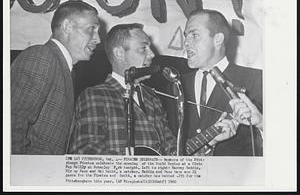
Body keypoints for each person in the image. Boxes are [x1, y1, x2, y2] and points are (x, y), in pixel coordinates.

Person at [68, 23, 238, 156]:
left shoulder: (152, 97)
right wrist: (139, 167)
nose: (152, 55)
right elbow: (84, 153)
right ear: (119, 53)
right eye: (143, 48)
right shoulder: (95, 95)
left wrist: (210, 140)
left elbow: (173, 152)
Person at [11, 0, 101, 155]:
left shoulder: (64, 68)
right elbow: (11, 123)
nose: (98, 39)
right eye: (91, 29)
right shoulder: (42, 56)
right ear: (67, 26)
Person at [182, 9, 263, 156]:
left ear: (218, 39)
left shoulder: (256, 79)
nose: (186, 43)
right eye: (186, 36)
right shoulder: (177, 84)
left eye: (194, 35)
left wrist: (262, 123)